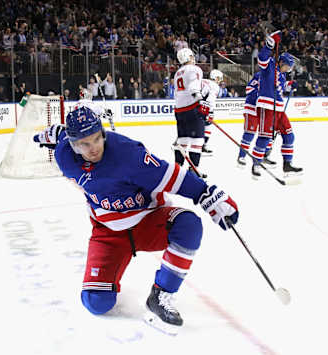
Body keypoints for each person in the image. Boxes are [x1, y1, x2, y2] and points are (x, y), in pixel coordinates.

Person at [32, 106, 239, 335]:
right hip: (108, 232)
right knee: (96, 303)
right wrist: (51, 134)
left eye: (96, 139)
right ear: (72, 144)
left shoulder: (128, 154)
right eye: (84, 144)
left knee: (188, 225)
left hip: (148, 221)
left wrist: (205, 194)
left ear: (102, 133)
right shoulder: (63, 154)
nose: (93, 149)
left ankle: (161, 294)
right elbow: (60, 133)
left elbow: (171, 176)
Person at [253, 31, 302, 178]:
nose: (288, 69)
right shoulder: (270, 65)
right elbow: (261, 58)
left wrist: (290, 84)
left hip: (279, 108)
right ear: (282, 62)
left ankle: (287, 164)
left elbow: (281, 86)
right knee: (265, 137)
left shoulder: (281, 73)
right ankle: (256, 164)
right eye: (288, 66)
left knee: (289, 135)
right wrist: (269, 45)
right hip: (267, 106)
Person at [172, 47, 205, 174]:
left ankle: (177, 168)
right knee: (198, 139)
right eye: (192, 56)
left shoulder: (177, 73)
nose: (193, 58)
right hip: (192, 108)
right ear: (189, 57)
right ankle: (193, 169)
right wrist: (200, 100)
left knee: (182, 140)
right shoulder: (194, 69)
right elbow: (193, 86)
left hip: (179, 110)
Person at [237, 71, 260, 167]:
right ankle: (241, 156)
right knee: (249, 133)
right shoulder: (260, 75)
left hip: (265, 109)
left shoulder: (276, 76)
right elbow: (249, 89)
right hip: (252, 108)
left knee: (266, 134)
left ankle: (264, 155)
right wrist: (261, 94)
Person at [199, 69, 223, 156]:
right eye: (219, 78)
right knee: (207, 127)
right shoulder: (214, 86)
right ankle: (201, 146)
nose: (219, 81)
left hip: (196, 105)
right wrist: (210, 112)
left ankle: (181, 142)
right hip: (204, 108)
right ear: (215, 77)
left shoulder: (203, 81)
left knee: (195, 126)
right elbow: (210, 100)